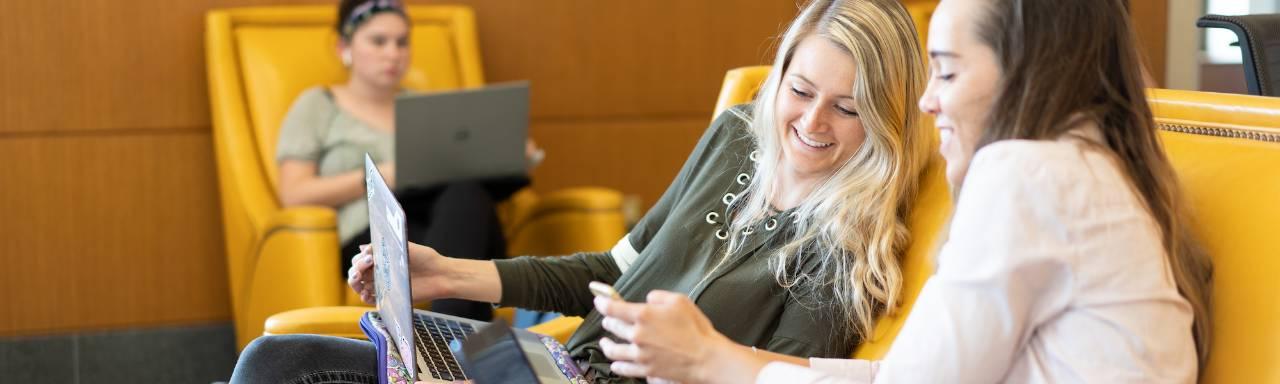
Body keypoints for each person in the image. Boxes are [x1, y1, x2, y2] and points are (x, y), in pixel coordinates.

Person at [230, 0, 933, 382]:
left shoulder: (847, 241)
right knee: (278, 362)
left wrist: (692, 361)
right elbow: (613, 271)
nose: (811, 123)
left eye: (849, 107)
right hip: (557, 367)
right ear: (778, 77)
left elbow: (787, 382)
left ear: (887, 118)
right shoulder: (738, 135)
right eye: (801, 90)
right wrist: (448, 272)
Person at [590, 0, 1215, 382]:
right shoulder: (1096, 173)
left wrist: (712, 362)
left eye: (946, 70)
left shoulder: (1029, 174)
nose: (926, 100)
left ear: (1026, 71)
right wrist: (719, 358)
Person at [274, 0, 534, 321]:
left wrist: (502, 153)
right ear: (345, 46)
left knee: (467, 196)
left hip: (434, 223)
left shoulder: (423, 107)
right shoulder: (318, 104)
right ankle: (466, 344)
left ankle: (455, 343)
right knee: (471, 219)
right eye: (379, 41)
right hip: (367, 238)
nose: (393, 53)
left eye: (402, 42)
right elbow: (295, 193)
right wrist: (381, 175)